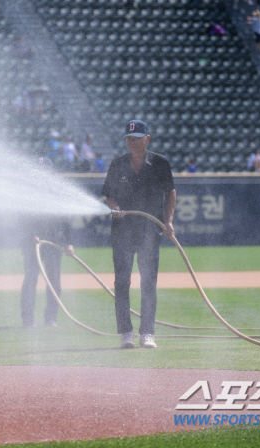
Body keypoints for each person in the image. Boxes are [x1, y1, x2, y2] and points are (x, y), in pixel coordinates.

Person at [102, 120, 176, 349]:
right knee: (122, 281)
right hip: (123, 231)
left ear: (147, 139)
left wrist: (168, 221)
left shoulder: (160, 164)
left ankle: (147, 333)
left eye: (136, 139)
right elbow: (109, 195)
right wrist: (114, 208)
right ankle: (126, 332)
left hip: (149, 231)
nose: (132, 143)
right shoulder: (118, 164)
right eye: (128, 139)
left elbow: (170, 193)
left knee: (148, 282)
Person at [20, 157, 73, 328]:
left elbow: (66, 219)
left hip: (53, 242)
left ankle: (51, 318)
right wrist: (32, 235)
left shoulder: (58, 193)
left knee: (54, 281)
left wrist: (69, 242)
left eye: (45, 171)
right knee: (31, 280)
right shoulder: (26, 193)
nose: (42, 174)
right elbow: (23, 219)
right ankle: (28, 319)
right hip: (32, 243)